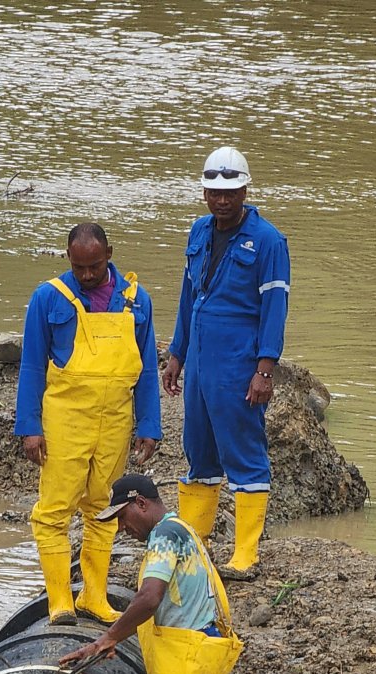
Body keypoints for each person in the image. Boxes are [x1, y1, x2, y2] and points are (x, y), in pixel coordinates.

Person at [15, 223, 161, 626]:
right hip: (65, 418)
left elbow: (147, 368)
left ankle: (94, 596)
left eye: (94, 266)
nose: (86, 275)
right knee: (54, 511)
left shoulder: (136, 300)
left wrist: (149, 423)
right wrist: (30, 426)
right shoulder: (49, 298)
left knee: (104, 506)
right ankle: (60, 600)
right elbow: (30, 366)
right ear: (69, 259)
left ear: (109, 254)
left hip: (115, 418)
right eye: (79, 267)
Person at [160, 146, 290, 579]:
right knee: (198, 451)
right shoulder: (198, 232)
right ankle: (194, 546)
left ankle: (246, 553)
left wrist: (264, 369)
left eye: (230, 191)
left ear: (245, 189)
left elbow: (274, 308)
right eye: (214, 191)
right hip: (198, 359)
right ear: (203, 192)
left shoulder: (268, 241)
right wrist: (177, 353)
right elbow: (187, 299)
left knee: (244, 452)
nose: (222, 199)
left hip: (238, 363)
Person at [58, 474, 243, 674]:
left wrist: (107, 638)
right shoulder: (182, 528)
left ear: (141, 503)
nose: (120, 528)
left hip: (185, 655)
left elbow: (149, 597)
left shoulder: (164, 535)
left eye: (122, 517)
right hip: (202, 646)